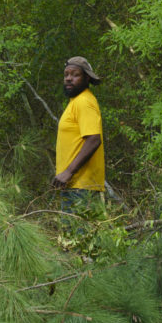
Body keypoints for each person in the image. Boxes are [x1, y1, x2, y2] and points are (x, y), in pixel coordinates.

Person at [53, 56, 105, 210]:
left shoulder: (84, 102)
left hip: (81, 186)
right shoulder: (75, 102)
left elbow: (94, 139)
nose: (69, 79)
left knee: (79, 232)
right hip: (73, 184)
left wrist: (68, 172)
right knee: (72, 233)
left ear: (86, 78)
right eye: (66, 75)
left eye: (75, 75)